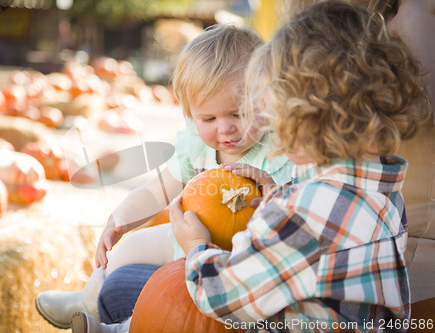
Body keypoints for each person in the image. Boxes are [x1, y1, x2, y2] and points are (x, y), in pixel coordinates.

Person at [170, 1, 431, 332]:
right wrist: (276, 198)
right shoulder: (385, 190)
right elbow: (325, 253)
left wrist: (196, 247)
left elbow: (222, 296)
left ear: (306, 119)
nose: (269, 128)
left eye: (272, 113)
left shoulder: (304, 214)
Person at [36, 24, 294, 329]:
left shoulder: (280, 152)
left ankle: (118, 328)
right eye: (208, 118)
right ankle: (86, 299)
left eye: (238, 114)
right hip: (184, 237)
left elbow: (291, 216)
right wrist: (120, 219)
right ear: (191, 114)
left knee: (170, 303)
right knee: (130, 247)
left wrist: (273, 191)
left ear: (266, 102)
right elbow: (156, 192)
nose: (224, 128)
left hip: (238, 260)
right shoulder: (196, 147)